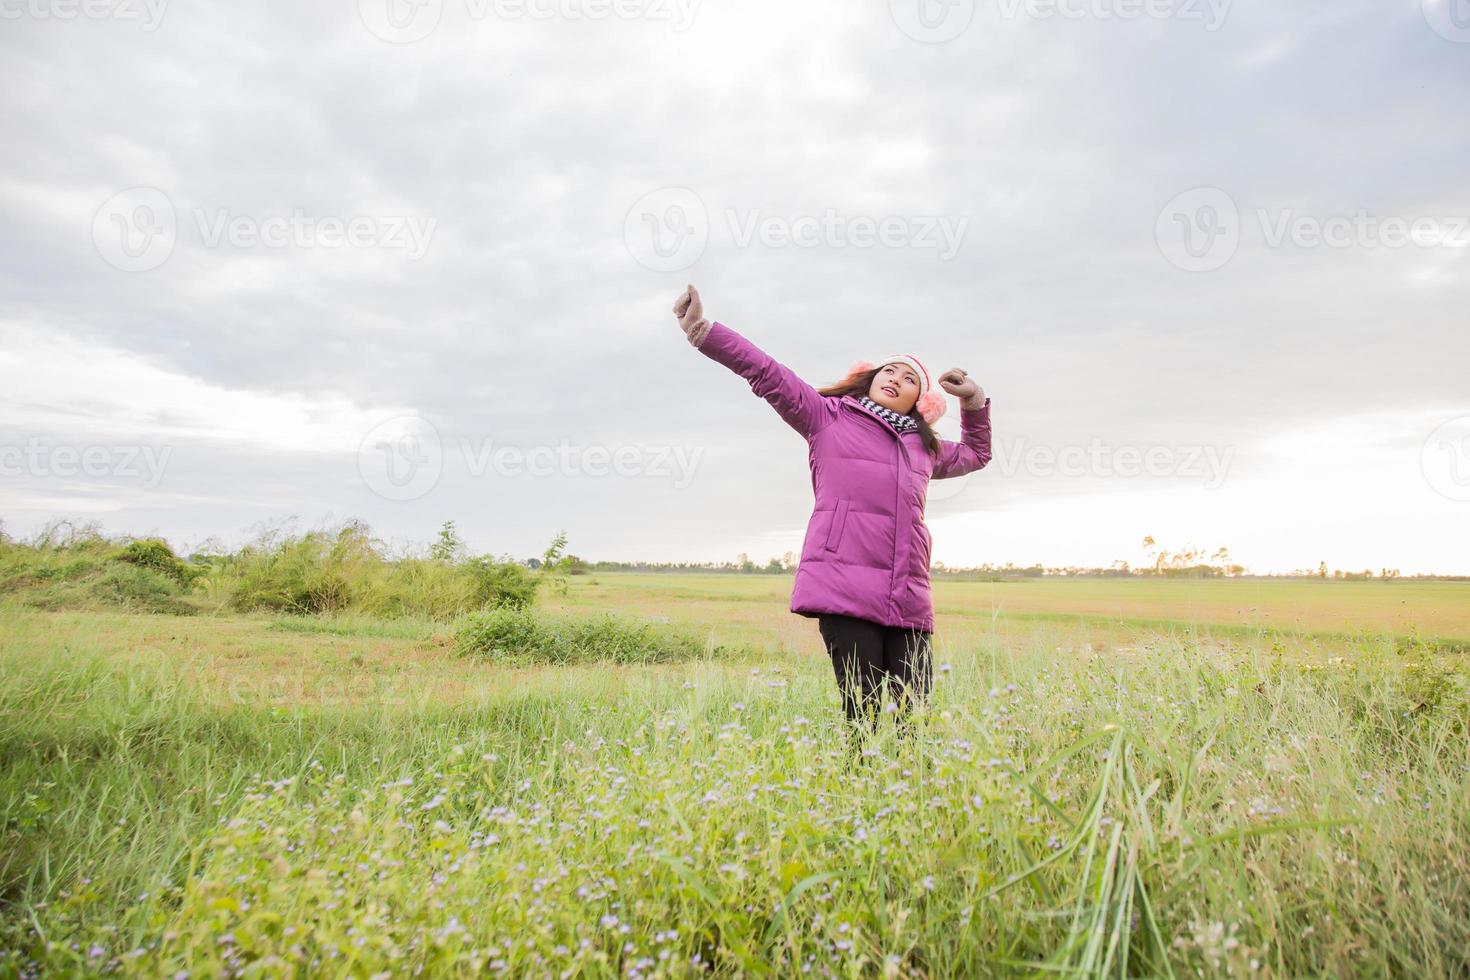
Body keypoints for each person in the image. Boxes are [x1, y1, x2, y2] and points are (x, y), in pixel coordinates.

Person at [671, 285, 993, 756]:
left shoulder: (924, 449)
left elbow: (979, 454)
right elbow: (768, 373)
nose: (897, 379)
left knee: (912, 721)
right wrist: (705, 332)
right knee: (862, 718)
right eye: (889, 371)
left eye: (909, 379)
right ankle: (860, 802)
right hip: (845, 590)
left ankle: (909, 807)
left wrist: (974, 400)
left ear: (919, 402)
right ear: (869, 379)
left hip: (908, 598)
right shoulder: (827, 417)